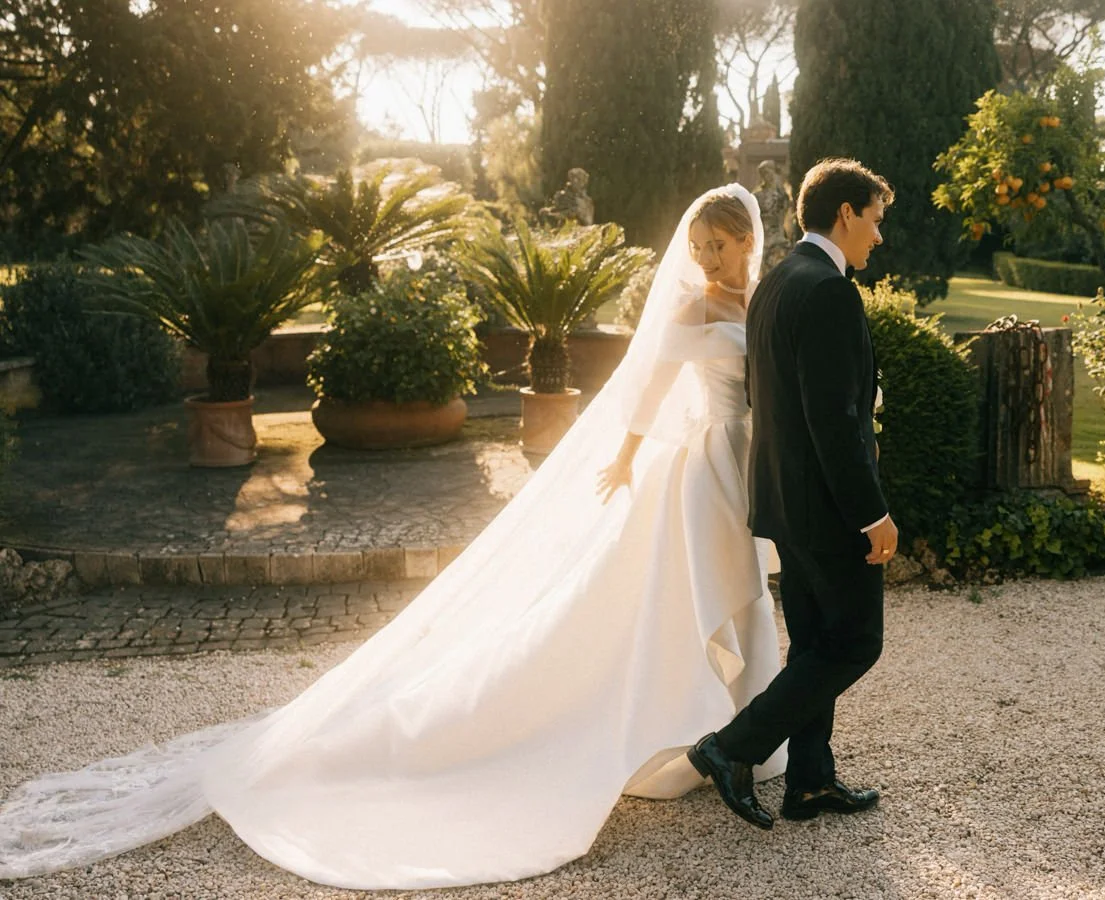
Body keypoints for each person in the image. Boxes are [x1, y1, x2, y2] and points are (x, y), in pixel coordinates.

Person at [0, 184, 785, 891]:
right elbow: (646, 387)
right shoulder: (691, 309)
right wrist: (624, 457)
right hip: (702, 466)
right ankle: (689, 733)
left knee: (731, 586)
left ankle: (741, 726)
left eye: (719, 245)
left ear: (749, 239)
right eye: (699, 247)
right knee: (696, 589)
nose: (707, 258)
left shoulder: (765, 299)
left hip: (749, 457)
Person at [686, 158, 898, 830]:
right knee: (856, 642)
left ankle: (810, 781)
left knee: (812, 646)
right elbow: (834, 421)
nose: (879, 236)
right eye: (874, 220)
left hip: (783, 500)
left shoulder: (777, 280)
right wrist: (872, 513)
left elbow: (765, 395)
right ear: (845, 213)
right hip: (829, 510)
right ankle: (730, 747)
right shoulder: (829, 290)